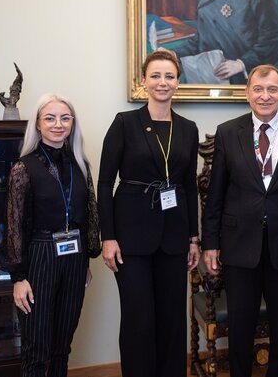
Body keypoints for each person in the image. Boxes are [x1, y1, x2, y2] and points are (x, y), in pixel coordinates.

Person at [201, 64, 278, 377]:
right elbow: (216, 195)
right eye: (258, 89)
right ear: (248, 93)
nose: (265, 96)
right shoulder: (228, 132)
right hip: (239, 245)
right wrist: (210, 243)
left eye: (272, 89)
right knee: (240, 326)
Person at [98, 49, 200, 377]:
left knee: (172, 320)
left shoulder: (188, 128)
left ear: (178, 82)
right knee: (138, 319)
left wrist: (193, 238)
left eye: (169, 76)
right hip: (131, 238)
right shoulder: (125, 123)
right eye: (155, 75)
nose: (162, 82)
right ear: (143, 81)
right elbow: (103, 184)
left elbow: (188, 186)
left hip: (174, 238)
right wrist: (108, 237)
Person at [0, 93, 101, 377]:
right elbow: (14, 226)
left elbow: (87, 215)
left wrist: (86, 264)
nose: (58, 124)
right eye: (50, 118)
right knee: (37, 348)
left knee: (61, 346)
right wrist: (19, 278)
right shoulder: (23, 168)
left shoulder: (81, 165)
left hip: (75, 258)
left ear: (72, 124)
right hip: (40, 256)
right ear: (39, 125)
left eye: (65, 118)